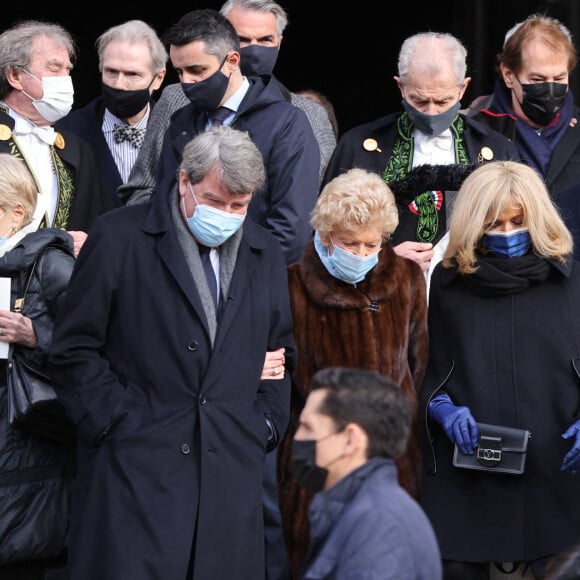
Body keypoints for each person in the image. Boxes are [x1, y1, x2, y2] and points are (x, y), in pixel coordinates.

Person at [48, 125, 295, 580]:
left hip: (228, 479)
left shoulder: (265, 252)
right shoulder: (120, 236)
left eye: (239, 206)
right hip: (133, 476)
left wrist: (263, 426)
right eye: (215, 201)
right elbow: (73, 348)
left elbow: (280, 354)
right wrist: (114, 421)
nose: (226, 214)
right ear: (184, 180)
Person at [419, 160, 580, 579]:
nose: (507, 234)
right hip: (474, 468)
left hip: (559, 468)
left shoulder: (572, 281)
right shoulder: (449, 284)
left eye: (517, 221)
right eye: (494, 223)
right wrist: (442, 410)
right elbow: (428, 368)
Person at [280, 167, 429, 577]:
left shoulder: (408, 280)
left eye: (372, 244)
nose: (362, 254)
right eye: (349, 243)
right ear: (325, 235)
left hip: (392, 461)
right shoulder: (290, 287)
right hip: (316, 464)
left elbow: (418, 365)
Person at [322, 31, 519, 273]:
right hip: (385, 299)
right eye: (419, 101)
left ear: (462, 88)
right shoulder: (358, 144)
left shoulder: (497, 148)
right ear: (401, 86)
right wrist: (384, 260)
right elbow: (325, 236)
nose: (432, 112)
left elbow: (516, 234)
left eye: (443, 101)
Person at [118, 0, 333, 206]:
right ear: (221, 37)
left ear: (279, 42)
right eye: (242, 39)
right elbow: (142, 188)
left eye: (265, 40)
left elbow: (321, 203)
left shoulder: (308, 114)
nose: (254, 50)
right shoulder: (176, 99)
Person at [0, 154, 75, 580]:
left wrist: (36, 336)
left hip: (34, 440)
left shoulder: (54, 265)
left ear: (16, 213)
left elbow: (95, 351)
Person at [293, 367, 442, 580]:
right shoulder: (363, 512)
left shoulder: (380, 526)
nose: (298, 437)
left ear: (351, 440)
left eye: (308, 427)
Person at [0, 19, 114, 257]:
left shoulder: (77, 149)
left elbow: (98, 221)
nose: (65, 79)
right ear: (14, 75)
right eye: (54, 69)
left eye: (68, 70)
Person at [56, 19, 167, 207]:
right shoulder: (65, 131)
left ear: (158, 79)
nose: (119, 84)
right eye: (111, 72)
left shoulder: (179, 131)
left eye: (133, 74)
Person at [468, 14, 580, 199]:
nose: (550, 89)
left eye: (559, 78)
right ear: (508, 75)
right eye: (538, 79)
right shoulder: (477, 130)